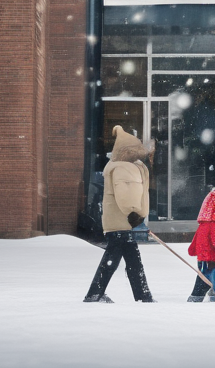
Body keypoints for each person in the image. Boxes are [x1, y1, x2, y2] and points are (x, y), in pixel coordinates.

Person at [84, 125, 155, 302]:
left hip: (122, 222)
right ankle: (96, 295)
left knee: (128, 261)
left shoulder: (127, 165)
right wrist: (132, 214)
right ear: (128, 151)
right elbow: (125, 193)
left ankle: (141, 296)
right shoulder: (123, 167)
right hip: (123, 220)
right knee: (122, 260)